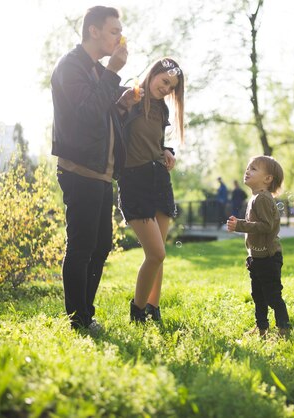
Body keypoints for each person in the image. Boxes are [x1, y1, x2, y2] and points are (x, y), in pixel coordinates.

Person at [51, 6, 139, 331]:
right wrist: (113, 71)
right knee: (81, 247)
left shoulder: (94, 70)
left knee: (100, 246)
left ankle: (85, 313)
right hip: (80, 172)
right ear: (94, 31)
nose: (120, 37)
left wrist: (121, 104)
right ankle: (78, 320)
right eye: (115, 31)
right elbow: (86, 114)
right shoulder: (70, 67)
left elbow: (99, 114)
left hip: (102, 174)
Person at [116, 57, 184, 322]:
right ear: (153, 73)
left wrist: (166, 150)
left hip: (158, 180)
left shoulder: (162, 110)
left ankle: (153, 308)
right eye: (164, 81)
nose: (166, 89)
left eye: (172, 87)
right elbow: (115, 130)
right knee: (156, 253)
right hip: (134, 182)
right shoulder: (130, 96)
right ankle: (137, 310)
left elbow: (153, 141)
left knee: (159, 257)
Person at [226, 156, 291, 338]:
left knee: (272, 296)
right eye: (247, 168)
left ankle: (283, 328)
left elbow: (266, 226)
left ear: (267, 179)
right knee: (258, 296)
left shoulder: (262, 198)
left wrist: (240, 225)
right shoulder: (256, 197)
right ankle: (262, 328)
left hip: (269, 258)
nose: (247, 171)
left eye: (253, 169)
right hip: (257, 257)